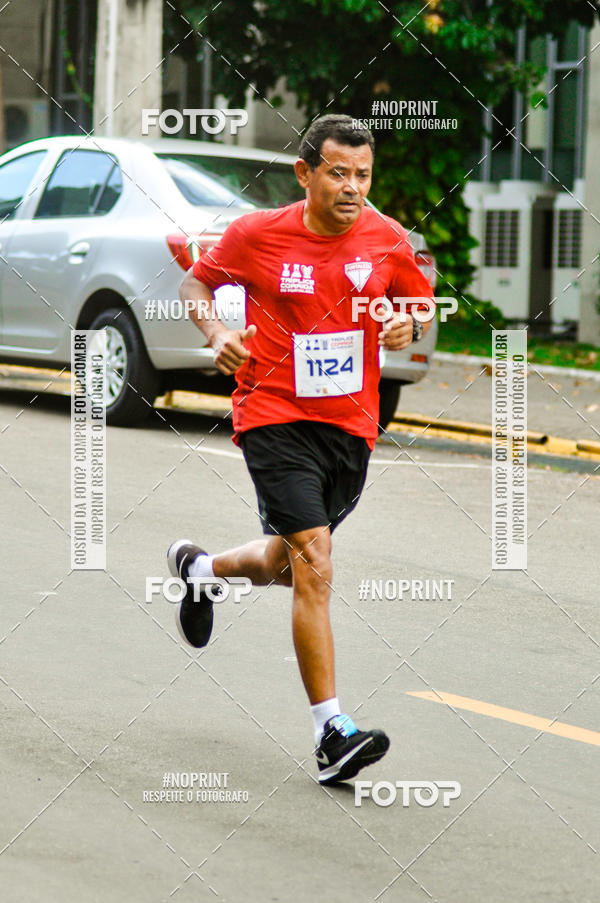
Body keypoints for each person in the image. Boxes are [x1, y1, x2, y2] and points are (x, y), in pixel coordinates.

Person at [168, 114, 434, 785]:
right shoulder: (257, 234)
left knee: (289, 563)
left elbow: (420, 301)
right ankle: (330, 733)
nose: (352, 188)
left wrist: (407, 322)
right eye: (338, 173)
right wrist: (216, 332)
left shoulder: (386, 237)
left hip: (350, 428)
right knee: (316, 562)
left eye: (363, 175)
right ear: (305, 173)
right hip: (274, 416)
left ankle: (201, 569)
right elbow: (195, 283)